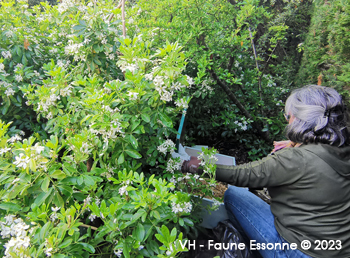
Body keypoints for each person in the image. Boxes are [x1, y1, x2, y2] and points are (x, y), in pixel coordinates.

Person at [180, 85, 350, 258]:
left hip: (298, 251)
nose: (287, 121)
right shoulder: (341, 150)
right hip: (336, 249)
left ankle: (248, 252)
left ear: (301, 120)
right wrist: (295, 143)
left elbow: (242, 175)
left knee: (233, 194)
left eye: (288, 116)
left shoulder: (296, 159)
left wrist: (197, 166)